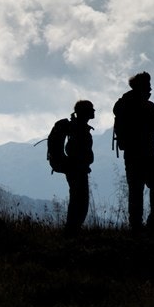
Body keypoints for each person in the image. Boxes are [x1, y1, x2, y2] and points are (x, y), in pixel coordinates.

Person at [112, 71, 154, 231]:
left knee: (136, 189)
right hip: (148, 151)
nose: (151, 88)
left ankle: (135, 225)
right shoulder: (147, 106)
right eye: (148, 85)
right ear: (143, 86)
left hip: (131, 153)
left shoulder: (123, 105)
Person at [63, 99, 95, 233]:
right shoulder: (80, 129)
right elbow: (75, 149)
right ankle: (72, 230)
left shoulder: (77, 127)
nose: (94, 111)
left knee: (77, 199)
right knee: (80, 201)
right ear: (85, 112)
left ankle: (72, 229)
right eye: (91, 109)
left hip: (75, 169)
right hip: (78, 169)